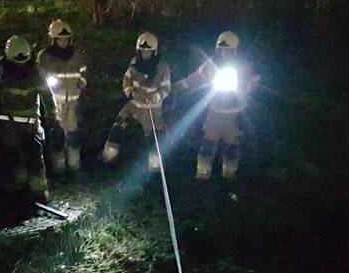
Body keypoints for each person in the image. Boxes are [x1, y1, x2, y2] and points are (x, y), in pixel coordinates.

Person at [173, 30, 260, 180]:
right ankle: (202, 175)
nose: (224, 54)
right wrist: (175, 87)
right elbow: (195, 79)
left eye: (228, 50)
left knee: (232, 147)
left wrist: (245, 85)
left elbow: (255, 84)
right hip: (215, 113)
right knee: (208, 144)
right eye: (222, 50)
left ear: (235, 50)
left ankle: (229, 176)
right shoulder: (211, 65)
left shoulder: (244, 66)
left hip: (235, 115)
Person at [0, 35, 56, 201]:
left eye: (23, 61)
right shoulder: (0, 68)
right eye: (17, 62)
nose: (20, 65)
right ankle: (20, 187)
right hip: (8, 121)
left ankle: (39, 191)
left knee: (35, 156)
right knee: (14, 155)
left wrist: (52, 114)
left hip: (31, 121)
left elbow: (46, 94)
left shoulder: (36, 71)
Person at [101, 32, 171, 171]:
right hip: (134, 107)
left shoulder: (162, 67)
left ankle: (155, 169)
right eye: (142, 50)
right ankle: (107, 159)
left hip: (153, 110)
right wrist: (131, 93)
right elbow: (126, 82)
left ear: (154, 51)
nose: (145, 53)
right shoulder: (134, 65)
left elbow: (166, 87)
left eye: (148, 51)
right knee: (117, 128)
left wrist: (157, 96)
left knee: (154, 139)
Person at [36, 19, 88, 174]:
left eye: (66, 39)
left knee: (73, 135)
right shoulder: (45, 57)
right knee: (57, 135)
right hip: (54, 103)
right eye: (60, 39)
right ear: (53, 39)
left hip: (72, 102)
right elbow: (38, 76)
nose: (64, 42)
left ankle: (74, 167)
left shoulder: (76, 55)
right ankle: (59, 169)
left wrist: (82, 82)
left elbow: (84, 71)